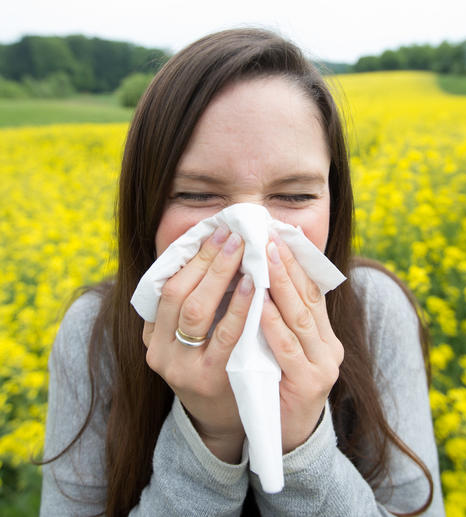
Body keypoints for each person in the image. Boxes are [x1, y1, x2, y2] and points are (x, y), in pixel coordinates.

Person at [40, 28, 444, 516]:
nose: (252, 232)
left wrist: (300, 446)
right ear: (145, 204)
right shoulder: (93, 334)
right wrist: (209, 437)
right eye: (196, 194)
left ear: (334, 203)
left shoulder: (375, 310)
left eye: (295, 196)